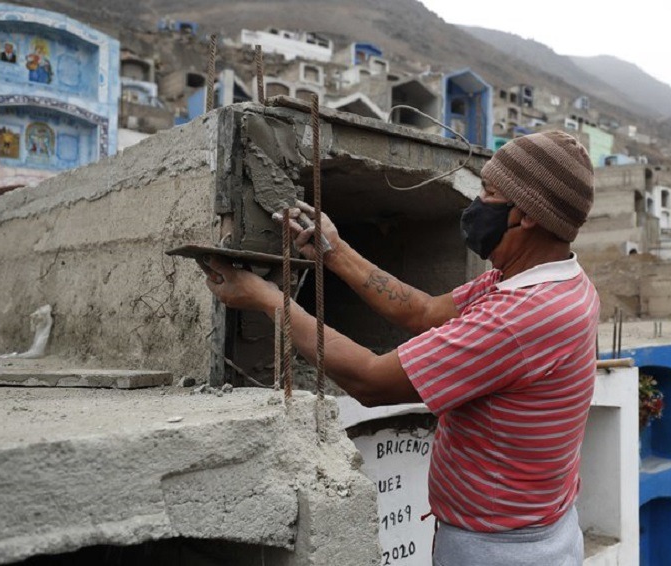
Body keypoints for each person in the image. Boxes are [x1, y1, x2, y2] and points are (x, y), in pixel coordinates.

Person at [204, 130, 599, 565]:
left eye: (487, 192)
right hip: (532, 530)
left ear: (525, 215)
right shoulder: (544, 279)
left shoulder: (524, 315)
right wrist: (335, 252)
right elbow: (425, 312)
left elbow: (371, 381)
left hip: (501, 551)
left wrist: (265, 299)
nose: (475, 205)